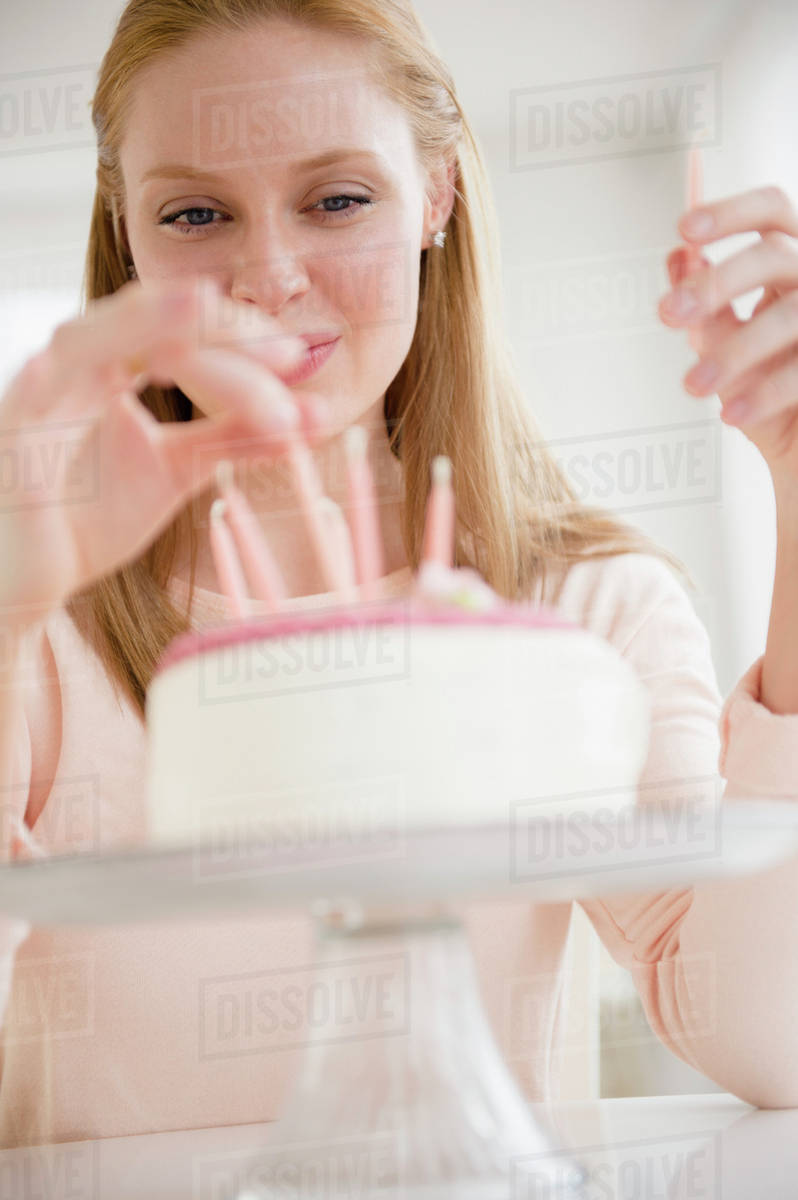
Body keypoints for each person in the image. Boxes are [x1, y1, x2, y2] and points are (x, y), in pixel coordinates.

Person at [1, 0, 798, 1148]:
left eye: (337, 199)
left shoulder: (585, 611)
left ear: (436, 195)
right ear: (127, 232)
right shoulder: (35, 625)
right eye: (193, 212)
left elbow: (771, 1038)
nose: (270, 277)